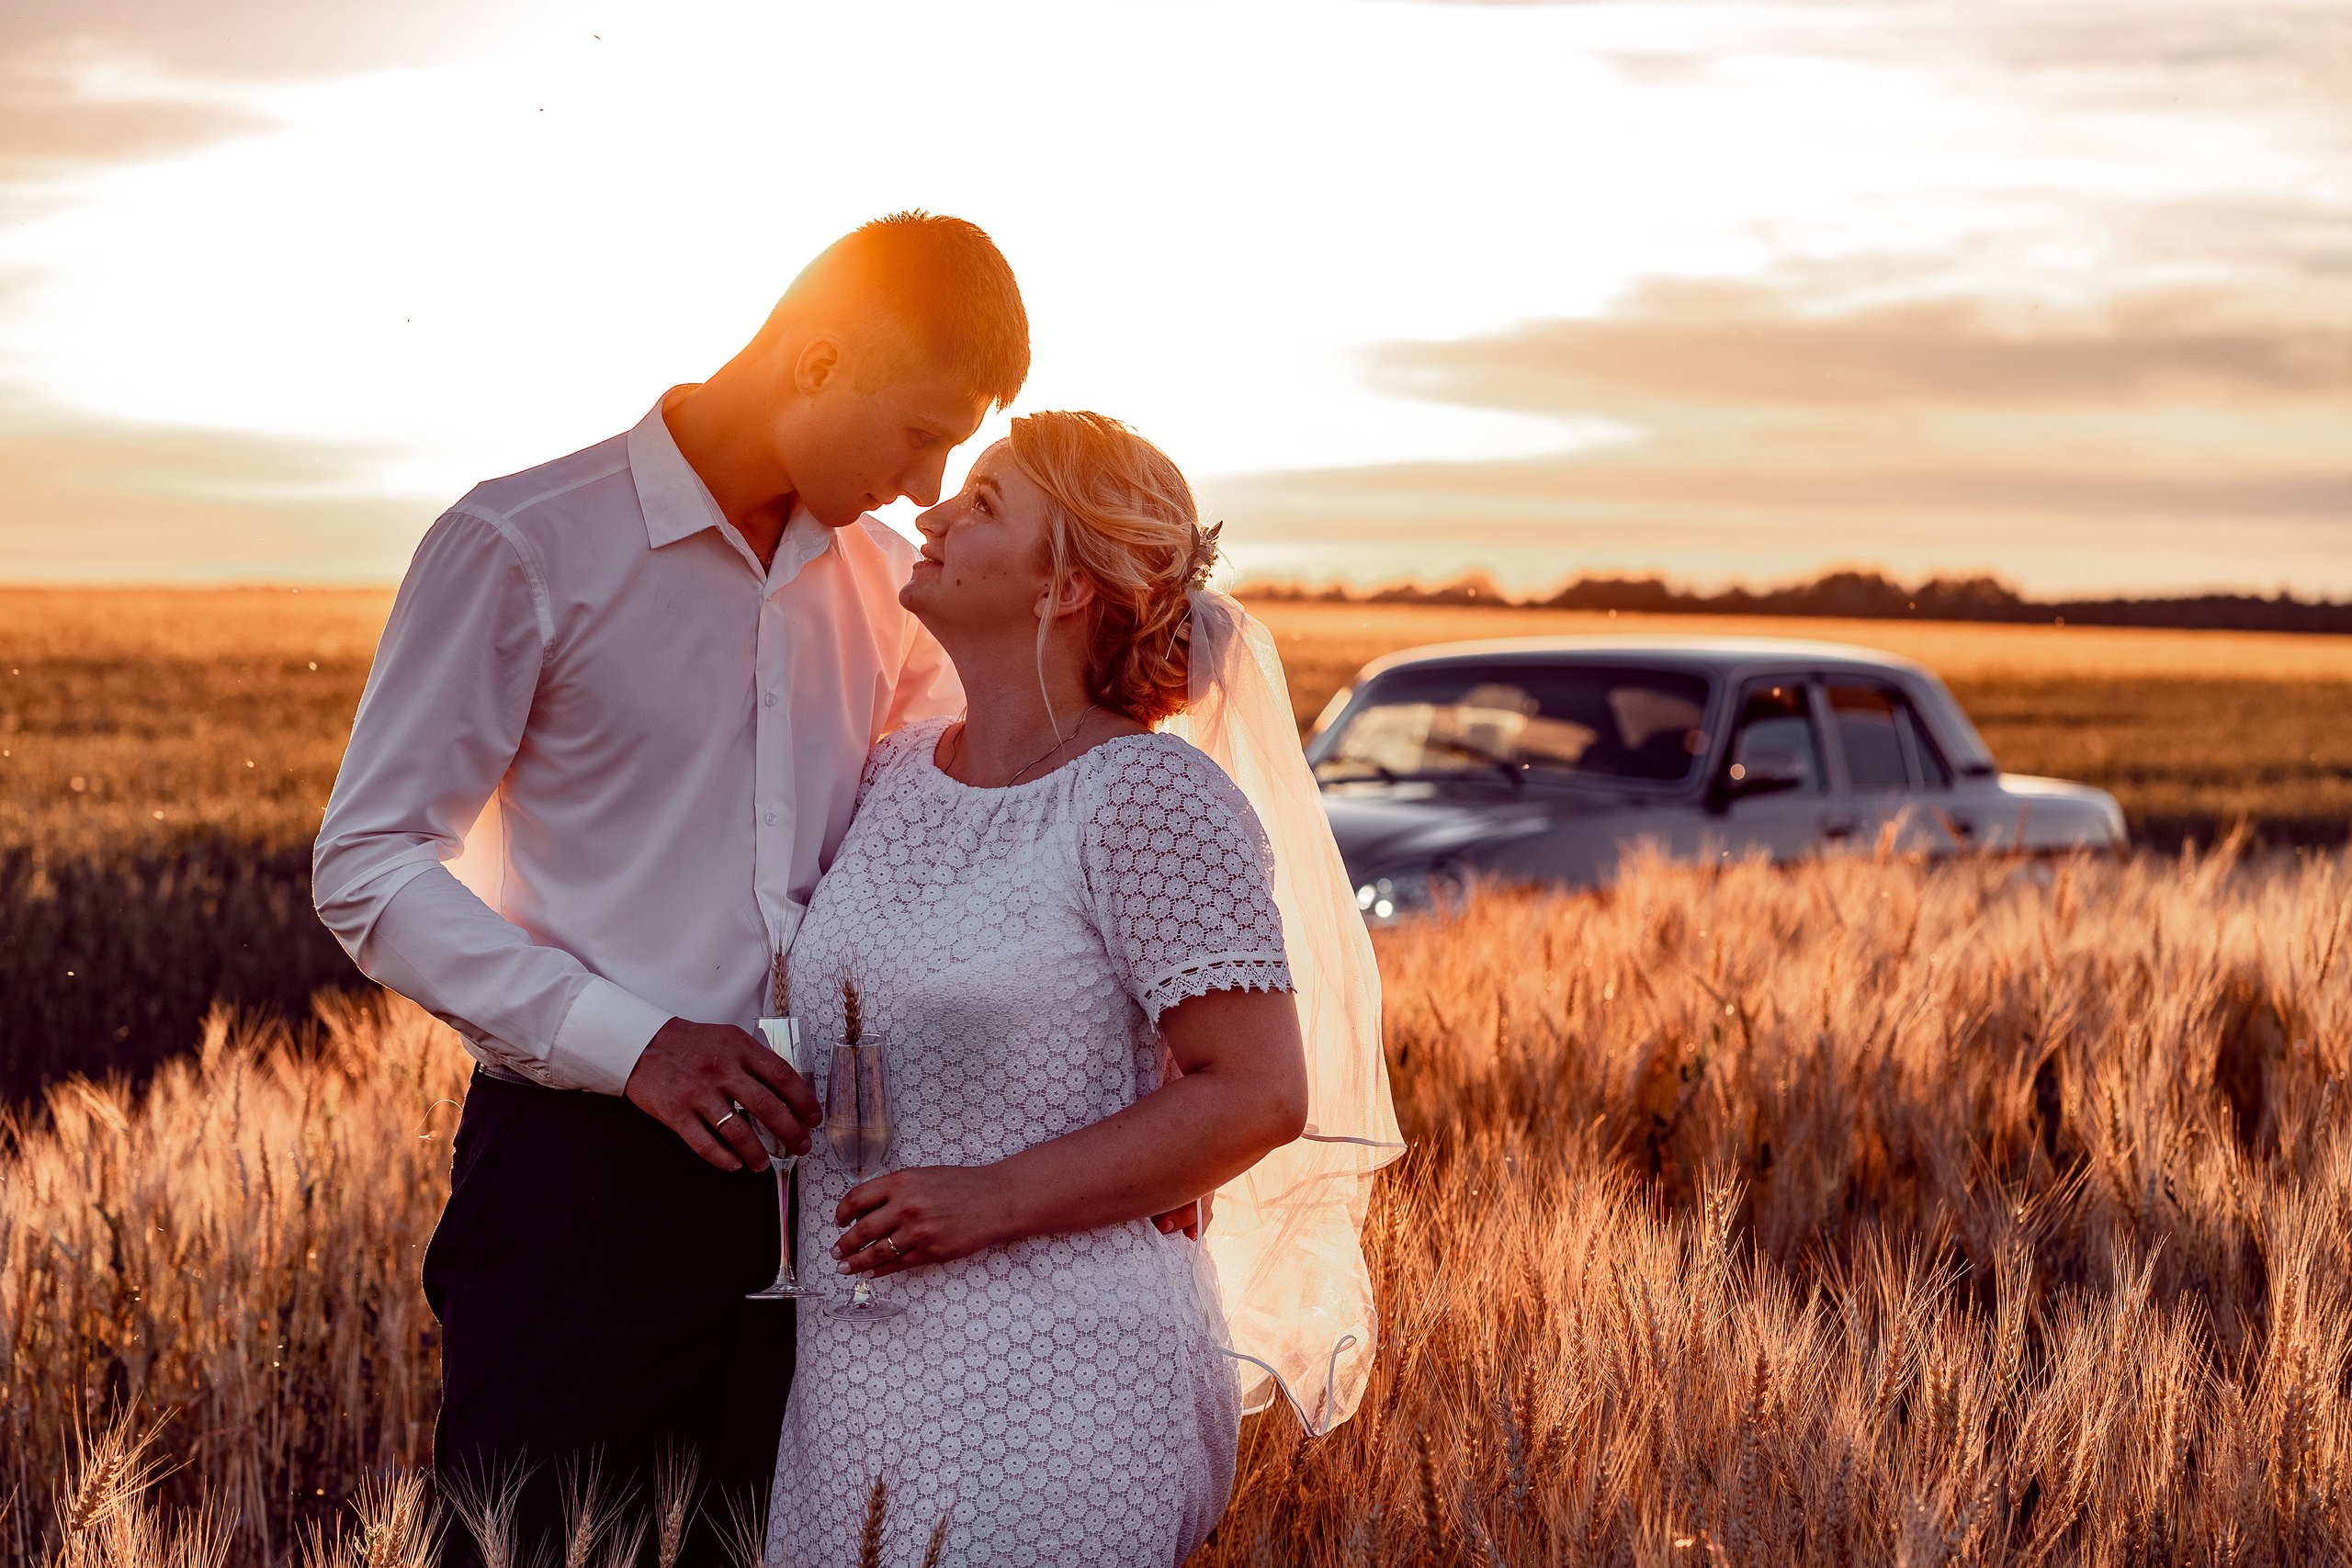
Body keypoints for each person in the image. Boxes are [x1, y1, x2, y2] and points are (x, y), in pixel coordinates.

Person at [312, 212, 1028, 1565]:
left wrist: (1123, 1120)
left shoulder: (893, 589)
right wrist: (635, 1044)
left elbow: (965, 857)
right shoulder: (521, 542)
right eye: (920, 434)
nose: (929, 482)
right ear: (819, 360)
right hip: (575, 1194)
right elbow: (369, 862)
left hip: (828, 1204)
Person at [770, 412, 1403, 1566]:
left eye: (984, 504)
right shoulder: (894, 774)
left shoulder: (1148, 797)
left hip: (1061, 1380)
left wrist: (990, 1197)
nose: (931, 515)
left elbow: (1258, 1092)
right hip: (856, 1365)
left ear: (1064, 588)